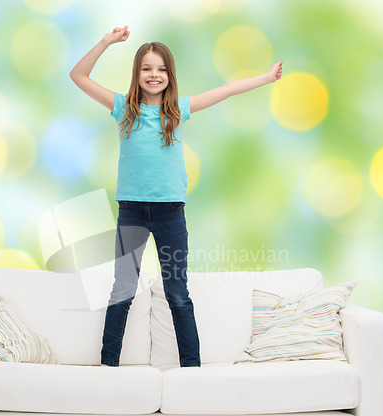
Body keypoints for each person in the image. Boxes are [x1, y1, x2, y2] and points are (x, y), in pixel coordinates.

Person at [69, 25, 283, 368]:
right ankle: (107, 365)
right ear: (137, 73)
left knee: (178, 295)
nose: (154, 75)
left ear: (170, 74)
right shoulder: (124, 108)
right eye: (147, 68)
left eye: (161, 69)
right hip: (132, 213)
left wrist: (266, 78)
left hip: (170, 214)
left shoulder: (178, 111)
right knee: (122, 292)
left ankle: (191, 368)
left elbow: (226, 90)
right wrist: (107, 42)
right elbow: (78, 75)